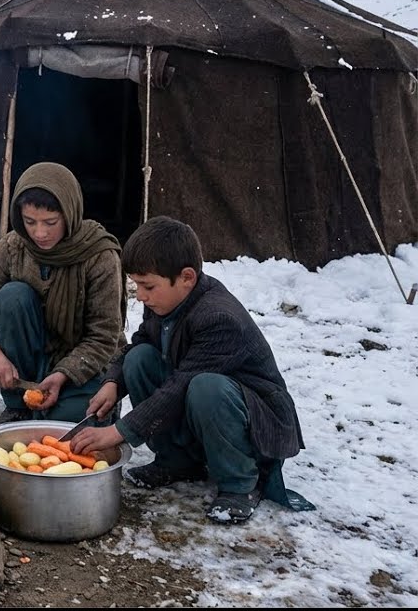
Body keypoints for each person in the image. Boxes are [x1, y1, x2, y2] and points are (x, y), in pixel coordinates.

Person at [69, 216, 314, 525]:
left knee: (205, 387)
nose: (140, 295)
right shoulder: (165, 299)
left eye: (147, 286)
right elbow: (143, 341)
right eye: (137, 285)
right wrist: (113, 383)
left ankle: (241, 482)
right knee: (140, 358)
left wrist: (119, 432)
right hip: (201, 407)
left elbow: (180, 387)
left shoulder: (219, 318)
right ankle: (177, 461)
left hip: (256, 422)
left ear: (186, 277)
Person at [0, 162, 124, 424]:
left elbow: (104, 336)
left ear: (69, 213)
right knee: (12, 297)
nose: (40, 232)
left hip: (84, 367)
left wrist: (62, 375)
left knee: (69, 422)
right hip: (31, 365)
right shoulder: (13, 247)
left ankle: (93, 406)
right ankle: (19, 406)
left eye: (51, 222)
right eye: (30, 222)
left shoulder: (98, 256)